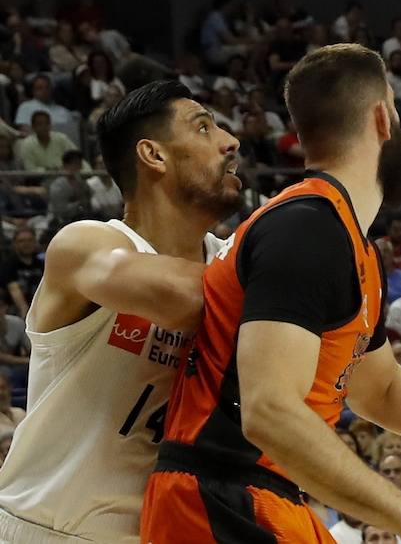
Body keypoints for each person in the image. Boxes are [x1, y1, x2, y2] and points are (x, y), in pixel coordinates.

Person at [142, 44, 401, 544]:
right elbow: (269, 411)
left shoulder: (352, 244)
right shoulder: (306, 230)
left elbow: (380, 390)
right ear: (382, 118)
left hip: (267, 495)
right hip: (218, 496)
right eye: (397, 114)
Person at [0, 80, 241, 543]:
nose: (231, 142)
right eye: (205, 128)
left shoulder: (230, 259)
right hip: (43, 529)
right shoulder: (86, 243)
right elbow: (186, 297)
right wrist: (289, 282)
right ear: (154, 155)